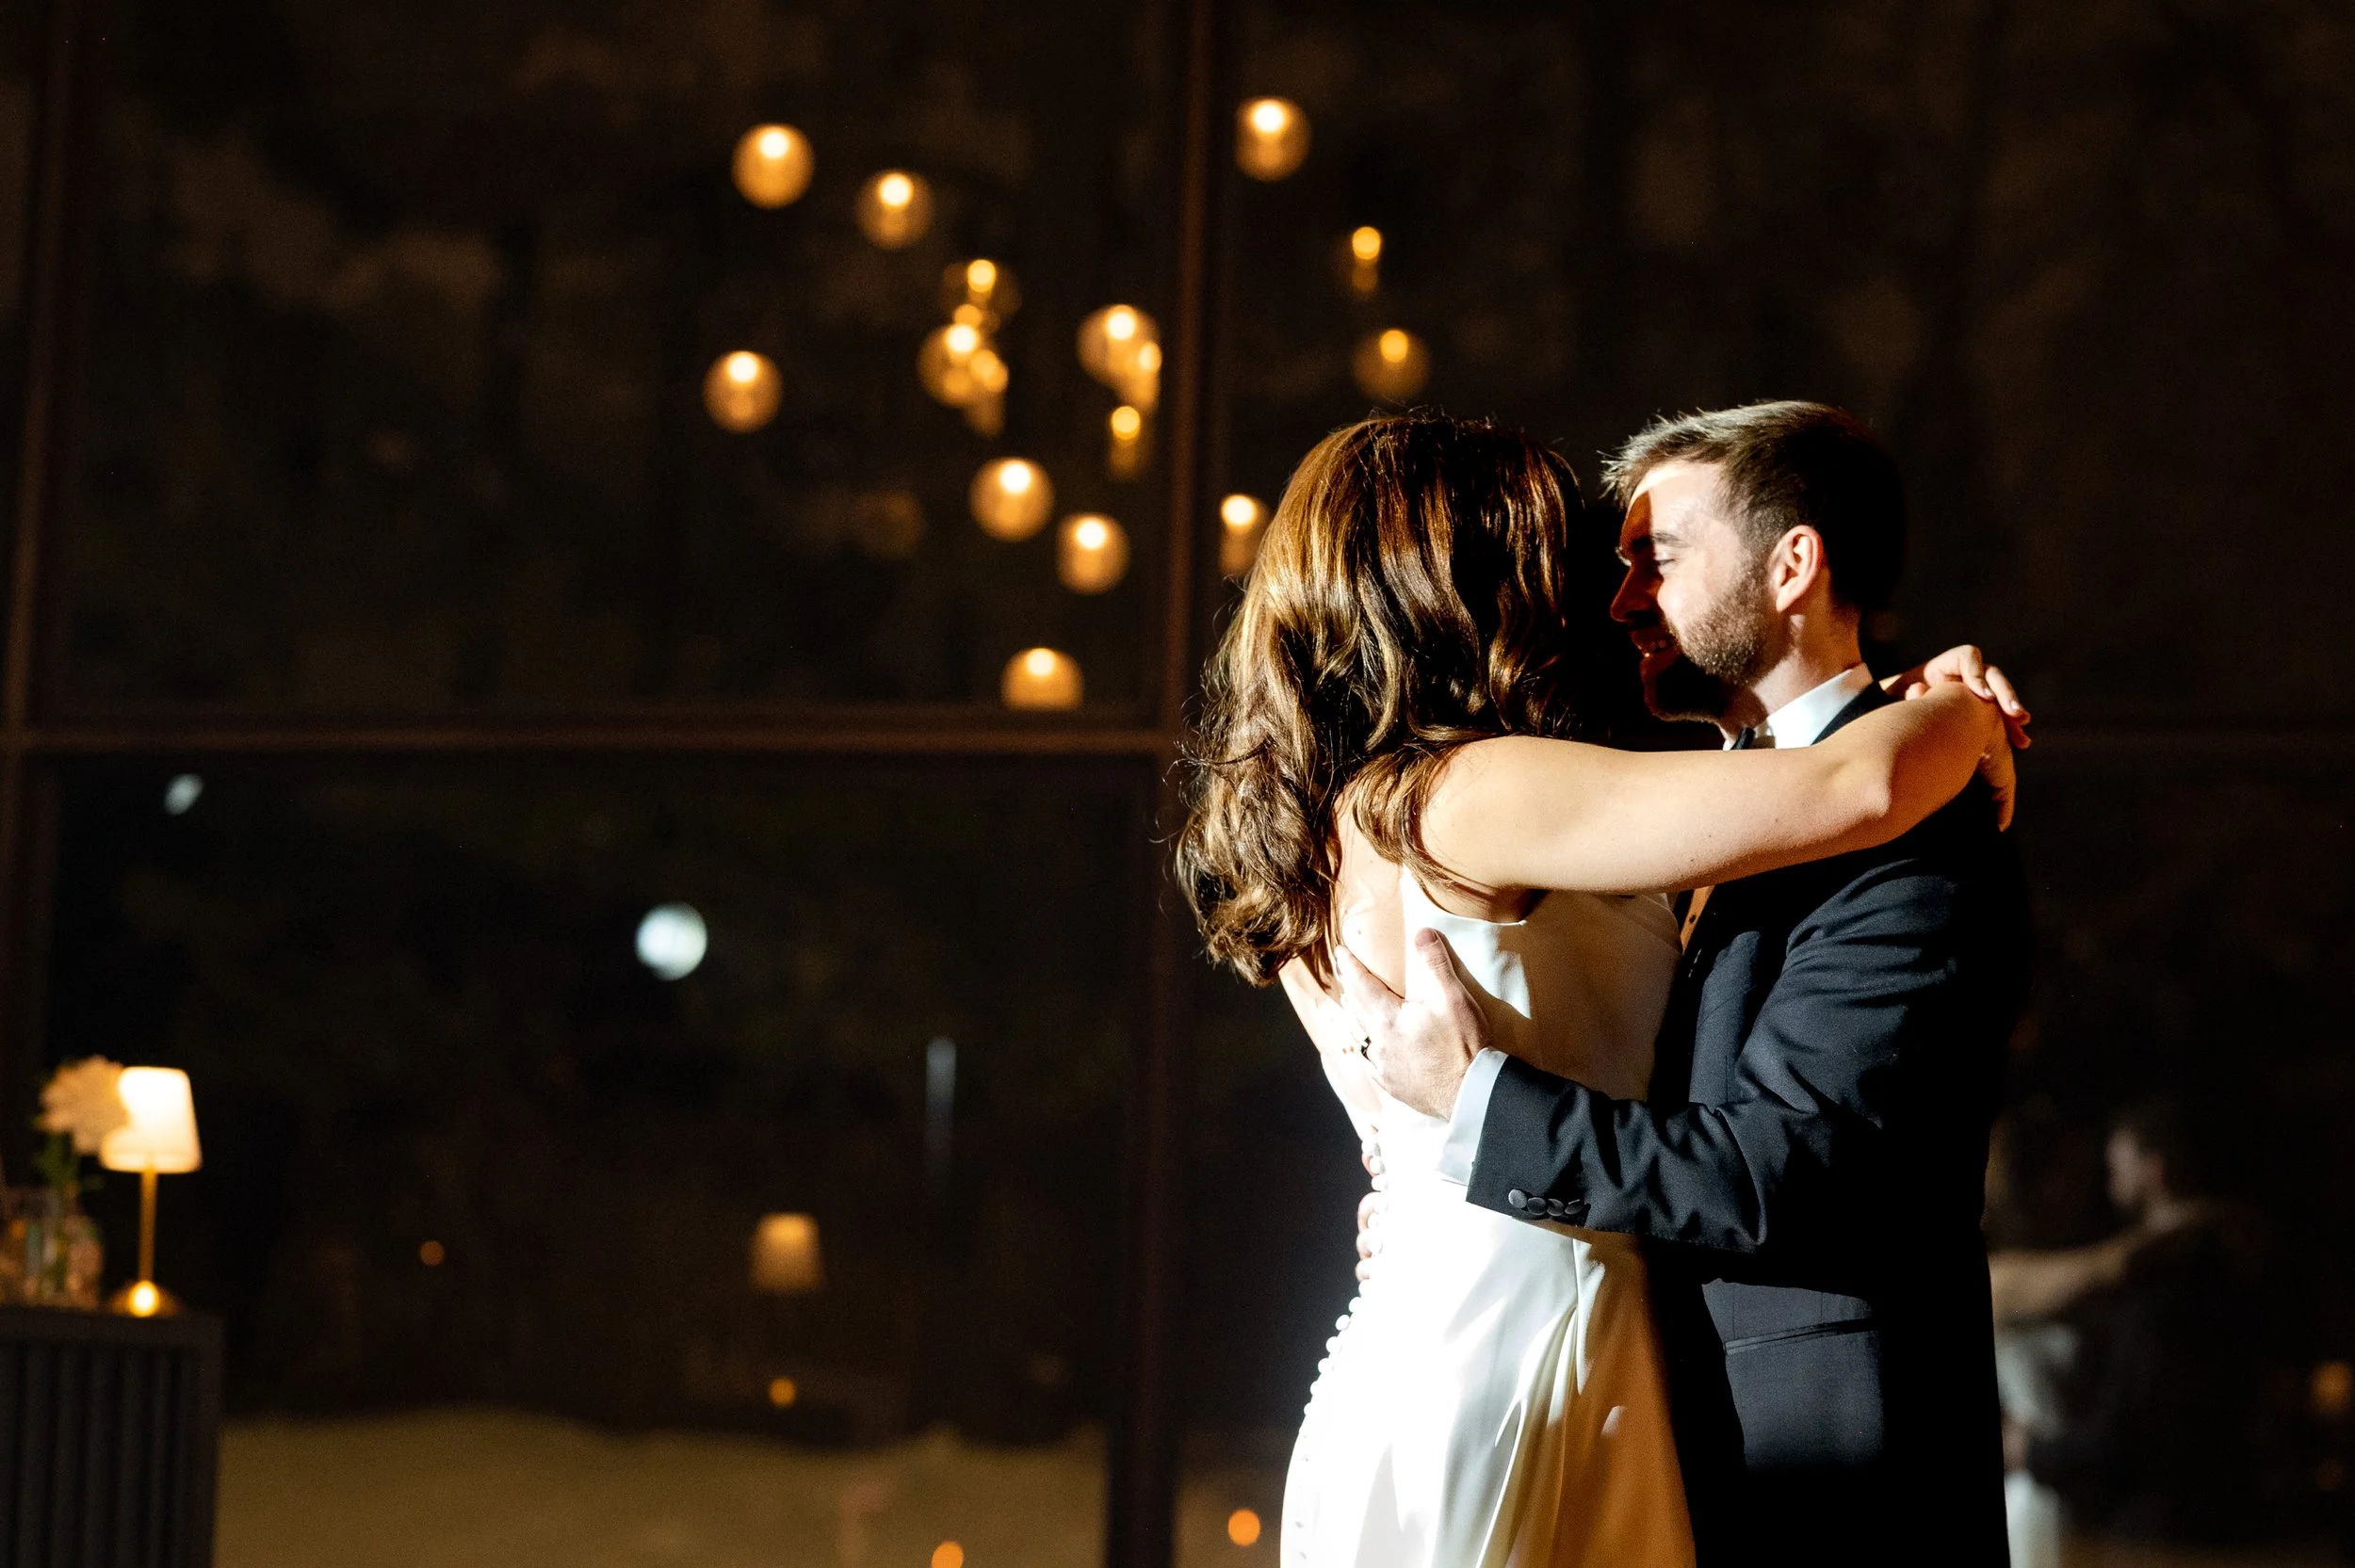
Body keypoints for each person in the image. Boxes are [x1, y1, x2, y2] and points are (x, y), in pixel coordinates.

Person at [1178, 410, 2025, 1566]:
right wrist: (1962, 710)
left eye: (1648, 559)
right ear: (1471, 576)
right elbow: (1852, 788)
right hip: (1538, 1333)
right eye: (1568, 556)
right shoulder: (1474, 791)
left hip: (1455, 1322)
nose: (1604, 595)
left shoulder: (1336, 822)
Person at [2011, 1098, 2265, 1543]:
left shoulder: (2168, 1289)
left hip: (2156, 1521)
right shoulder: (2146, 1266)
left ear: (2155, 1169)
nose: (2104, 1184)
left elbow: (2129, 1430)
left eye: (2115, 1168)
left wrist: (2029, 1451)